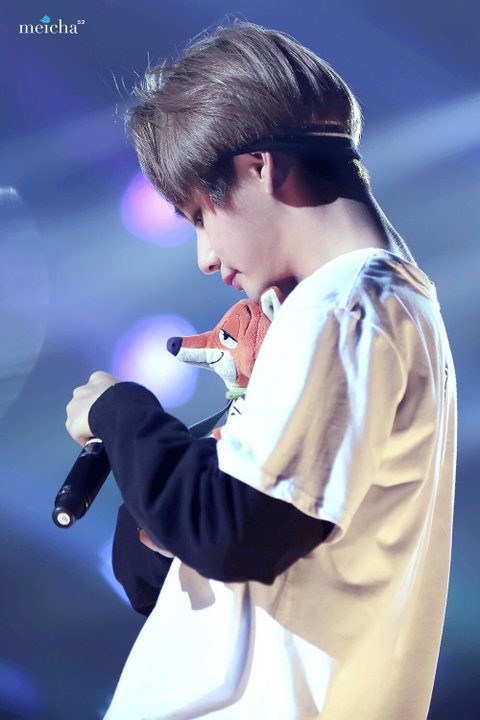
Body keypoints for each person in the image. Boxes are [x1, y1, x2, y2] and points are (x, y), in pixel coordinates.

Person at [66, 22, 457, 720]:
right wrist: (161, 487)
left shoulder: (348, 306)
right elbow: (174, 563)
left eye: (199, 214)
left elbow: (232, 534)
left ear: (258, 167)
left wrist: (119, 410)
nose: (204, 257)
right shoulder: (358, 307)